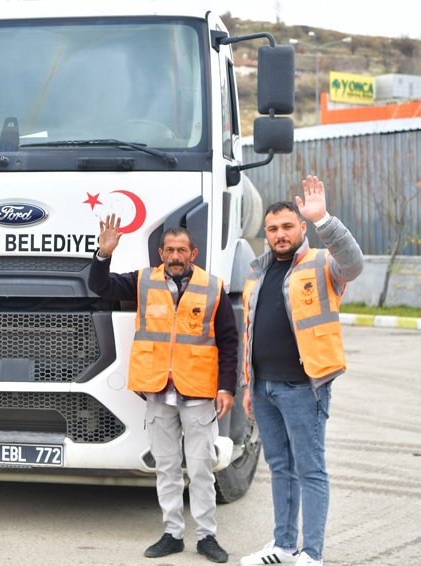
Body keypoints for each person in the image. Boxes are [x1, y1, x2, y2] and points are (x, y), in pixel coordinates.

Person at [89, 217, 238, 564]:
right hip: (158, 392)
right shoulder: (143, 281)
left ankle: (207, 537)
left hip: (198, 394)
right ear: (161, 253)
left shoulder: (212, 288)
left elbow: (230, 342)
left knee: (201, 470)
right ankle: (172, 534)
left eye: (181, 250)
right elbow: (100, 286)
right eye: (169, 250)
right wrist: (103, 254)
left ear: (193, 254)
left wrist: (226, 387)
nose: (175, 256)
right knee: (167, 468)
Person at [239, 176, 363, 566]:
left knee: (310, 470)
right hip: (264, 389)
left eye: (287, 226)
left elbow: (354, 263)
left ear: (301, 228)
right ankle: (283, 546)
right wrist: (248, 385)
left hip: (304, 389)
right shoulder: (258, 273)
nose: (279, 234)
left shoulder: (323, 264)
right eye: (272, 228)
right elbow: (250, 333)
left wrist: (324, 218)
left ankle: (312, 553)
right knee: (280, 468)